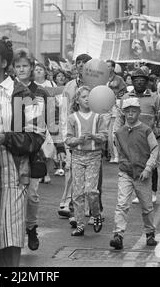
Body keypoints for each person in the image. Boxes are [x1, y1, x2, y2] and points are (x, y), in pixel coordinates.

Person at [0, 37, 45, 267]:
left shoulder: (21, 93)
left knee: (11, 236)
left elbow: (36, 135)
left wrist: (7, 138)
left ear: (4, 63)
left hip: (14, 176)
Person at [114, 68, 160, 204]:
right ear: (132, 82)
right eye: (136, 80)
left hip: (150, 137)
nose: (139, 82)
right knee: (134, 164)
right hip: (131, 137)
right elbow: (120, 118)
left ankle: (152, 192)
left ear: (147, 82)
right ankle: (139, 192)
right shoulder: (126, 98)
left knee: (152, 165)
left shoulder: (155, 98)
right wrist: (116, 135)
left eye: (142, 80)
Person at [110, 98, 159, 250]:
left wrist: (148, 168)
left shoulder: (146, 130)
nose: (130, 114)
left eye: (134, 111)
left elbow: (154, 149)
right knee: (122, 203)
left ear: (139, 112)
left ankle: (150, 233)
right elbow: (120, 150)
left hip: (143, 173)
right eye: (127, 112)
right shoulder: (119, 132)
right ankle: (118, 235)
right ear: (124, 113)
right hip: (126, 172)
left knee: (146, 206)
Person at [12, 49, 48, 251]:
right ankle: (17, 234)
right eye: (18, 66)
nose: (22, 69)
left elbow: (50, 119)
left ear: (32, 68)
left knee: (32, 194)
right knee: (15, 194)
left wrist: (58, 145)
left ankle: (31, 226)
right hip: (14, 147)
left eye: (25, 66)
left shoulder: (41, 92)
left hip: (34, 148)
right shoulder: (9, 90)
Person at [65, 86, 107, 236]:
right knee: (77, 192)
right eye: (83, 97)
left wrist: (95, 137)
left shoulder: (98, 116)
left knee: (91, 190)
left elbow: (104, 136)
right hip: (77, 156)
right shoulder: (72, 118)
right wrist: (78, 140)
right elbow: (68, 139)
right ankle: (80, 224)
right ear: (77, 100)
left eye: (89, 96)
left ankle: (96, 214)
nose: (87, 99)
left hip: (94, 156)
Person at [58, 53, 92, 218]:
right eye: (78, 62)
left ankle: (87, 207)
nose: (81, 65)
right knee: (70, 168)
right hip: (71, 131)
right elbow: (64, 110)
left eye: (85, 63)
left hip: (89, 132)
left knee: (88, 171)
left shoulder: (96, 85)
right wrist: (63, 132)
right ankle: (67, 202)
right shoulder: (69, 85)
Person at [106, 60, 127, 164]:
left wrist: (117, 100)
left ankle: (118, 155)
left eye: (109, 66)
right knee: (108, 135)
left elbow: (123, 93)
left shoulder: (119, 79)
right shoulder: (103, 79)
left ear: (113, 68)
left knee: (115, 133)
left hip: (115, 108)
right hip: (105, 109)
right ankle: (112, 154)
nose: (107, 67)